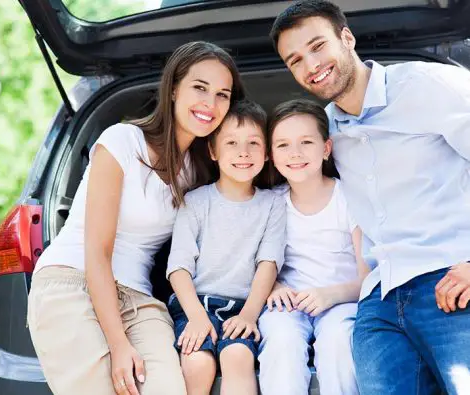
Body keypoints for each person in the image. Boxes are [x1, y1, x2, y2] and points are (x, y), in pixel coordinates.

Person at [270, 1, 470, 394]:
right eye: (295, 60)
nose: (310, 65)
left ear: (346, 37)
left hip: (451, 280)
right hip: (378, 302)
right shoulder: (324, 134)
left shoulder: (428, 85)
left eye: (317, 46)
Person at [26, 41, 246, 395]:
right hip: (74, 283)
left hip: (140, 299)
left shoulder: (197, 172)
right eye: (200, 88)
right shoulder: (122, 142)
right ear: (173, 88)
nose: (211, 103)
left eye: (223, 94)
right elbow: (97, 250)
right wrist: (118, 345)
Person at [166, 100, 286, 395]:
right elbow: (178, 268)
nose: (243, 152)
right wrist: (196, 317)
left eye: (253, 143)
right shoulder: (194, 202)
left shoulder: (272, 204)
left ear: (267, 153)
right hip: (196, 305)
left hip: (243, 307)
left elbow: (268, 264)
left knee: (238, 357)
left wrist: (249, 315)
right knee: (197, 362)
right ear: (213, 151)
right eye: (231, 142)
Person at [258, 99, 369, 395]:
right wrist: (275, 287)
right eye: (283, 145)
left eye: (306, 142)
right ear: (270, 155)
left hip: (342, 299)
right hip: (288, 303)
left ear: (326, 148)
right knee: (280, 341)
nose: (295, 153)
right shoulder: (271, 203)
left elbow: (368, 277)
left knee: (338, 341)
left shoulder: (348, 197)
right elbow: (256, 266)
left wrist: (329, 294)